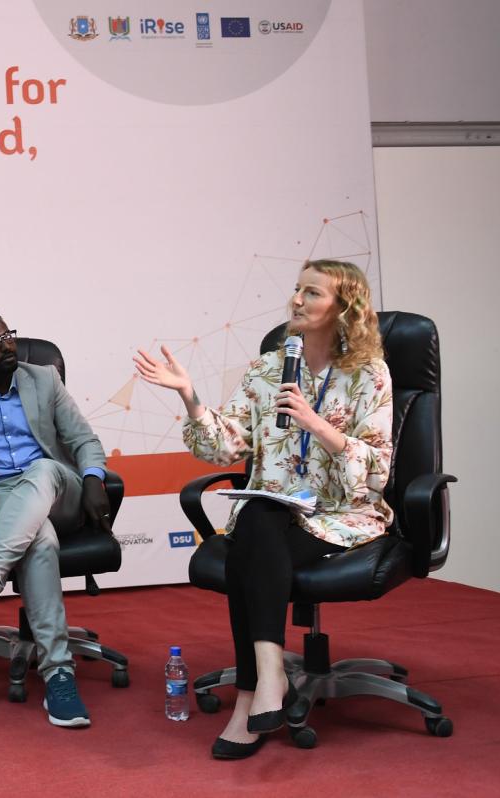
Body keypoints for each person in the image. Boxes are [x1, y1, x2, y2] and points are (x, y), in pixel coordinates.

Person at [134, 259, 393, 760]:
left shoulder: (370, 375)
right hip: (274, 507)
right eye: (296, 289)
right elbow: (224, 447)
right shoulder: (268, 369)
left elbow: (378, 470)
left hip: (340, 512)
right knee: (257, 515)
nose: (296, 299)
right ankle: (269, 677)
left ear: (344, 307)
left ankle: (248, 697)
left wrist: (318, 425)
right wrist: (189, 396)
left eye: (312, 292)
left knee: (248, 548)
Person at [0, 310, 112, 728]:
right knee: (39, 539)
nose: (7, 344)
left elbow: (83, 439)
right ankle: (59, 674)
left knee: (42, 470)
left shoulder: (44, 378)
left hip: (58, 488)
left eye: (8, 335)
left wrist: (94, 477)